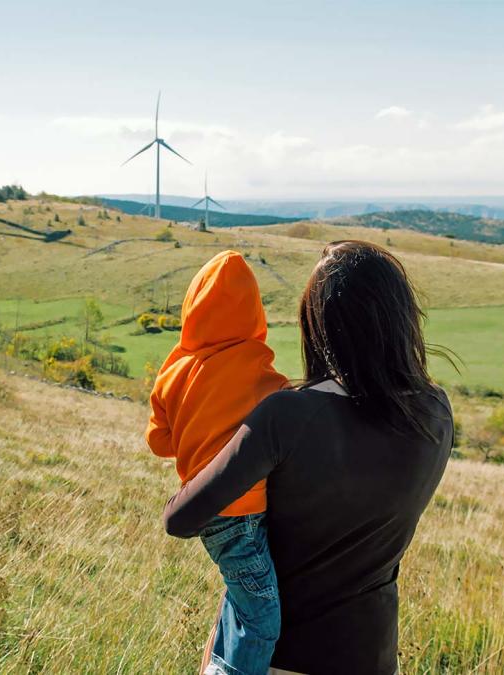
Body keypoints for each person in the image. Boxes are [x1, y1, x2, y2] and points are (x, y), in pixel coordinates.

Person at [164, 240, 455, 675]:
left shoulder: (288, 416)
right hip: (374, 655)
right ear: (401, 320)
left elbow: (181, 519)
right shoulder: (436, 412)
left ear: (318, 326)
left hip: (276, 659)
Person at [146, 250, 290, 675]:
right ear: (254, 313)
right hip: (243, 515)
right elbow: (286, 420)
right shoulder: (263, 373)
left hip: (210, 512)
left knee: (242, 598)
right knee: (261, 622)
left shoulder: (174, 372)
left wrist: (194, 437)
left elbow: (158, 441)